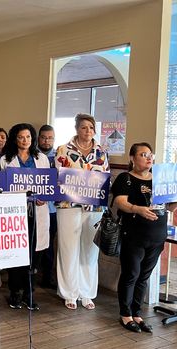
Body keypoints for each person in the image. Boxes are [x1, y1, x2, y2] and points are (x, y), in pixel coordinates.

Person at [113, 143, 177, 333]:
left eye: (151, 154)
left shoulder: (160, 179)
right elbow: (120, 202)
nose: (149, 158)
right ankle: (125, 315)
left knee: (144, 277)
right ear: (133, 158)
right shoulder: (125, 178)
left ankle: (137, 313)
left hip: (157, 236)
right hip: (134, 235)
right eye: (143, 154)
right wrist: (137, 209)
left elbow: (168, 208)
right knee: (131, 274)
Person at [55, 113, 110, 310]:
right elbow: (58, 177)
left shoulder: (101, 152)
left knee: (89, 249)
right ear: (77, 128)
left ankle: (86, 293)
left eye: (91, 127)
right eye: (84, 127)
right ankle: (69, 292)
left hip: (94, 206)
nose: (88, 131)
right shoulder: (63, 149)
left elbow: (105, 178)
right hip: (68, 205)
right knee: (68, 247)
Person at [0, 123, 50, 310]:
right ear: (15, 139)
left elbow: (47, 184)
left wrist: (43, 198)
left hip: (37, 212)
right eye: (21, 137)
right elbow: (3, 187)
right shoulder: (5, 160)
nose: (25, 140)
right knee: (17, 254)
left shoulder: (42, 158)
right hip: (16, 212)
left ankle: (30, 293)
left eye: (28, 137)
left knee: (34, 255)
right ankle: (15, 292)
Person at [37, 124, 58, 289]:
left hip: (54, 209)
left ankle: (47, 276)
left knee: (50, 243)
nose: (46, 141)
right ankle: (34, 272)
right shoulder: (33, 156)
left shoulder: (60, 157)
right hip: (36, 207)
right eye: (44, 137)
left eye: (50, 137)